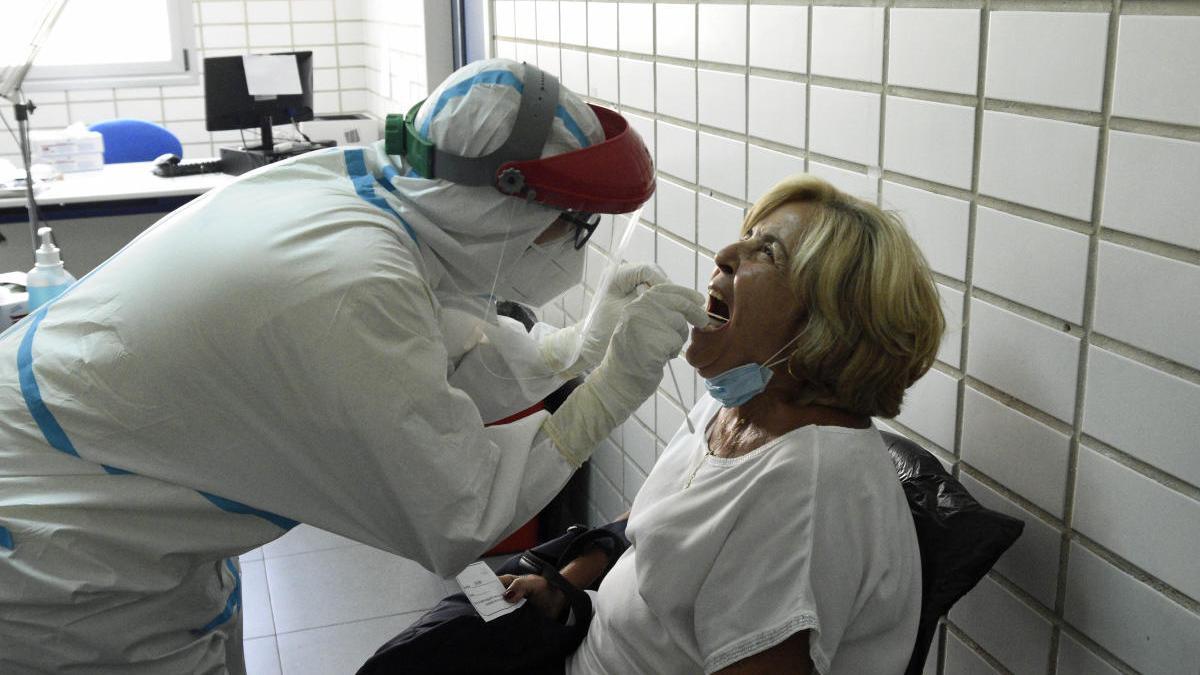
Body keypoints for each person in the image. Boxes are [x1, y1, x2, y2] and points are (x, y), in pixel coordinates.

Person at [0, 58, 706, 674]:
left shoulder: (379, 192)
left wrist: (578, 347)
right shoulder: (355, 284)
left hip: (112, 488)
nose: (574, 245)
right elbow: (459, 511)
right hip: (66, 557)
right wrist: (610, 390)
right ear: (504, 208)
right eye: (573, 223)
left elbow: (444, 341)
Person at [367, 174, 946, 674]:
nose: (725, 254)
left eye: (766, 252)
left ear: (827, 324)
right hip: (581, 642)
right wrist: (565, 583)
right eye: (746, 235)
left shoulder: (808, 492)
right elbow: (649, 528)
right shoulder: (736, 403)